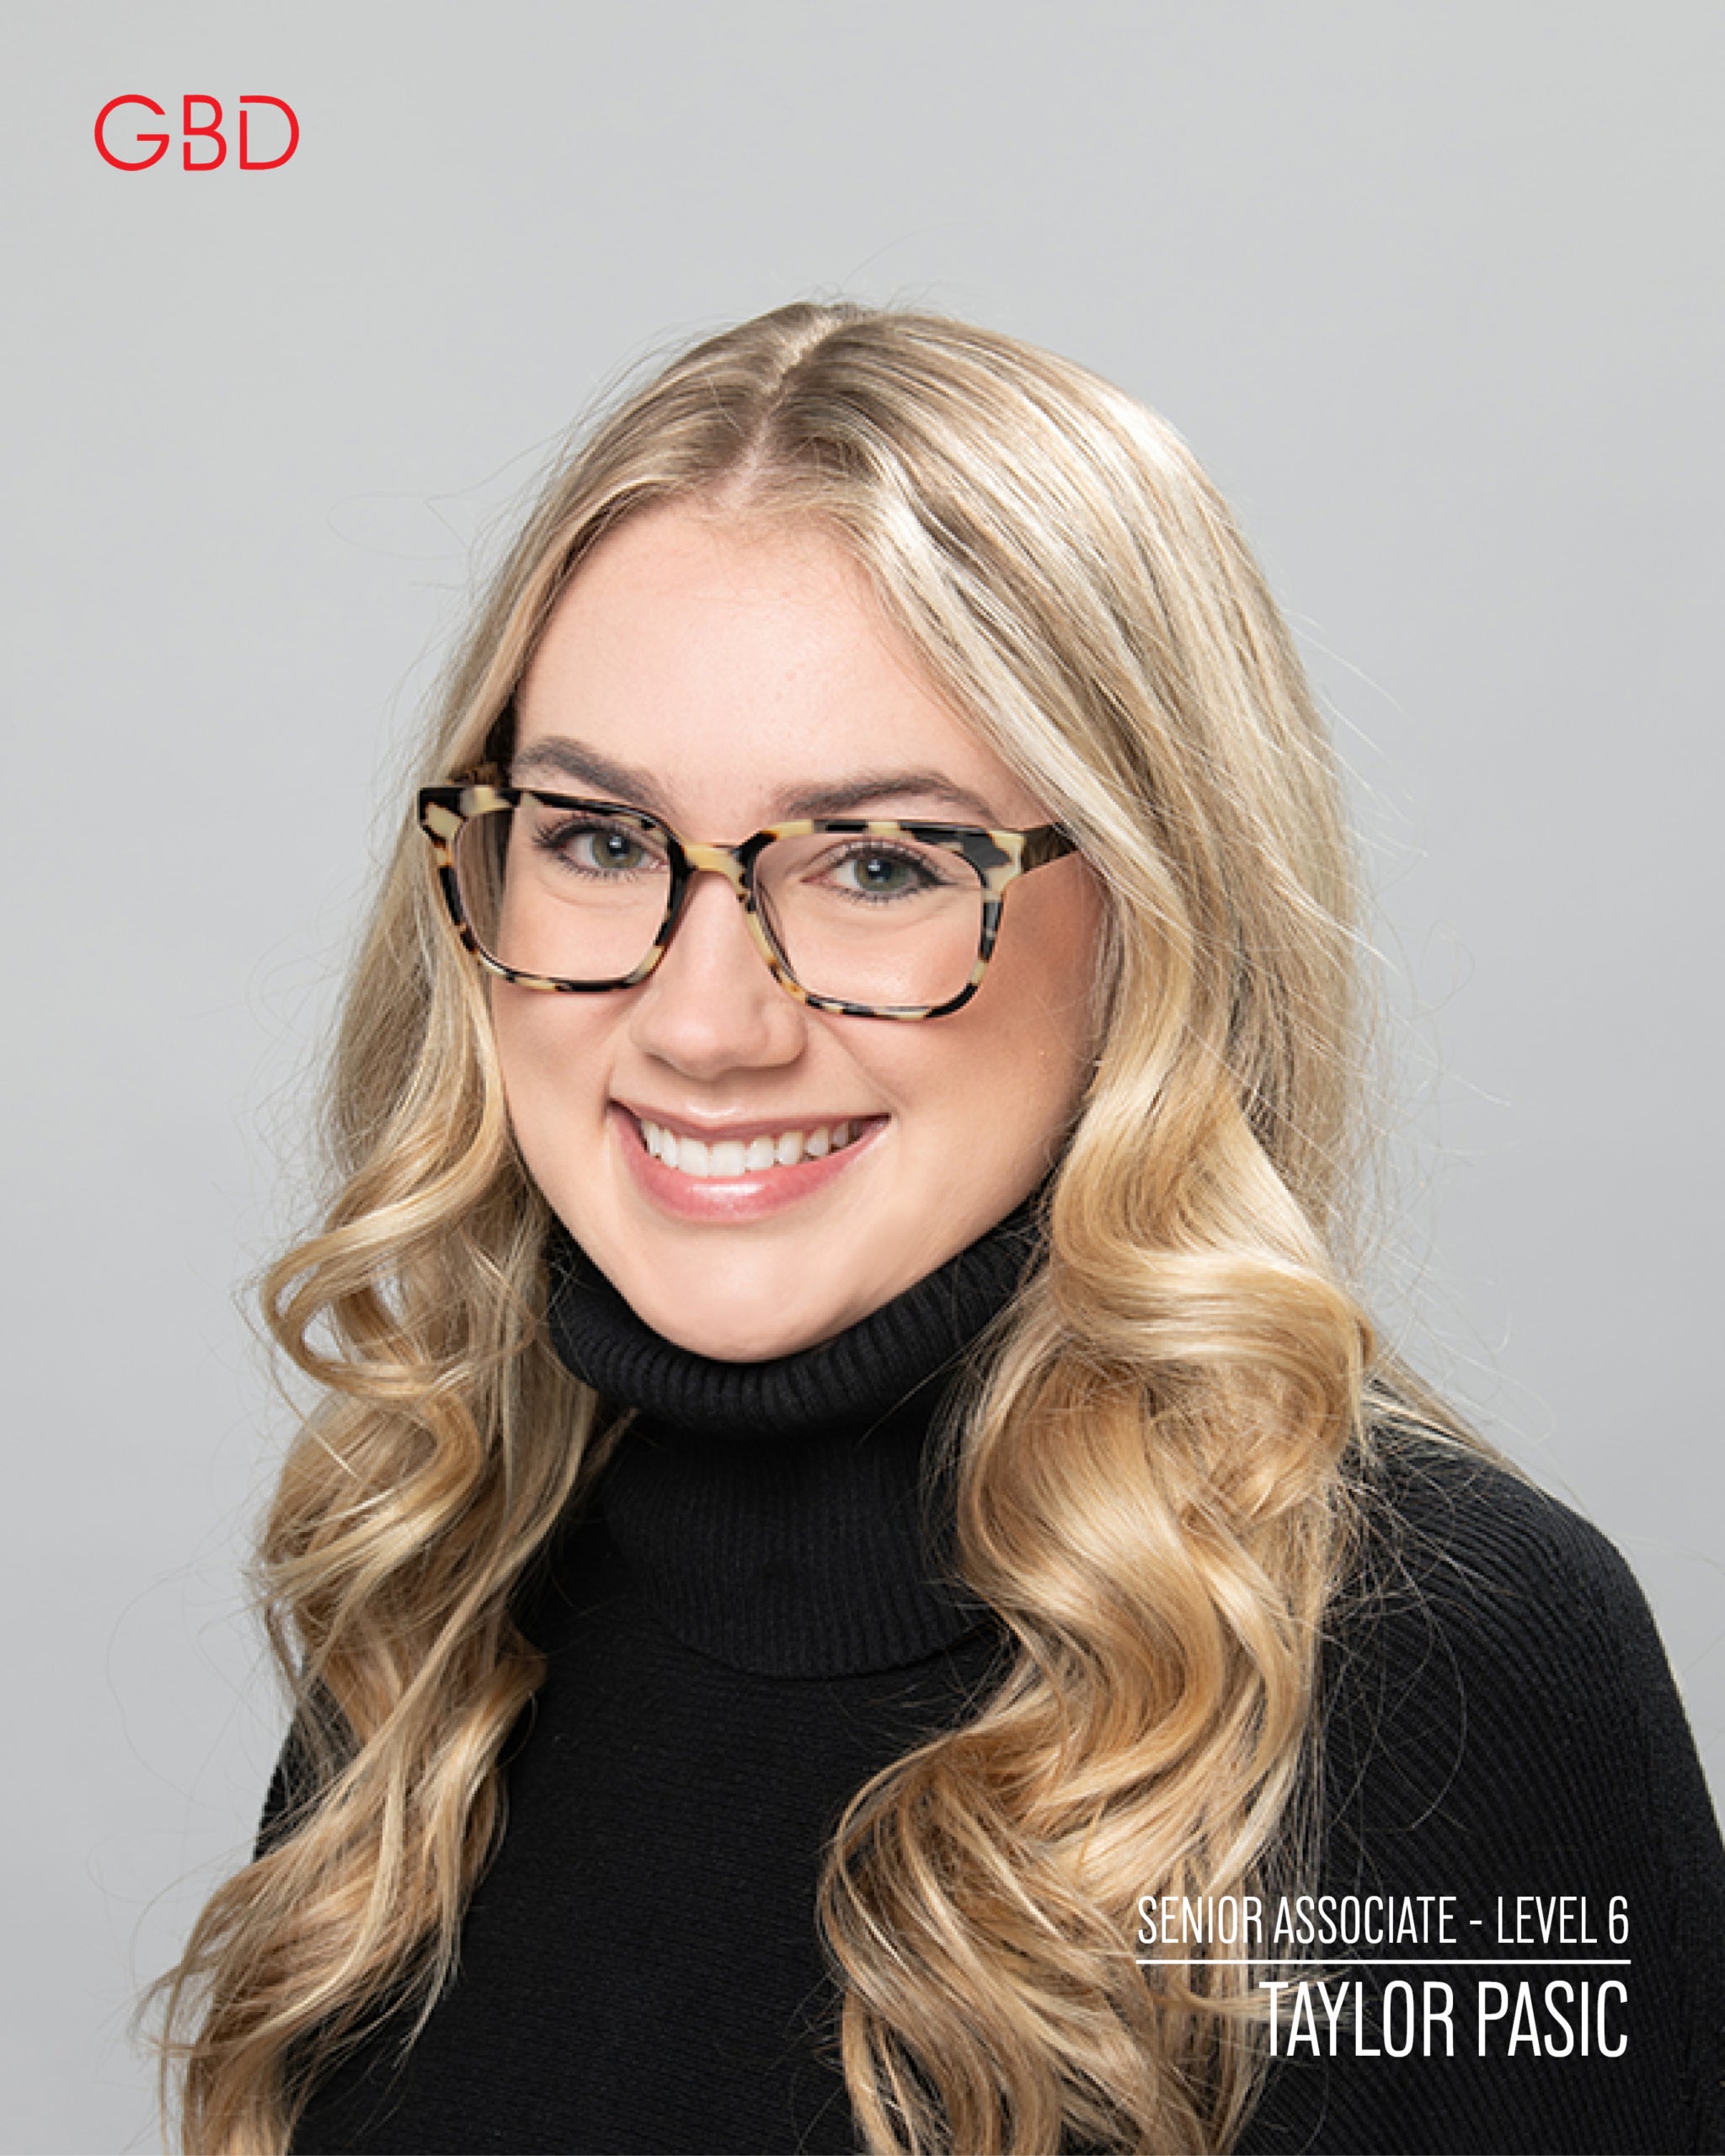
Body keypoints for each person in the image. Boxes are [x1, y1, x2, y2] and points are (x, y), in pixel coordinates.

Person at [152, 302, 1725, 2154]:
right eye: (597, 837)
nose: (703, 1021)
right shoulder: (450, 1601)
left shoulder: (1445, 1672)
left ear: (1153, 918)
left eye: (883, 863)